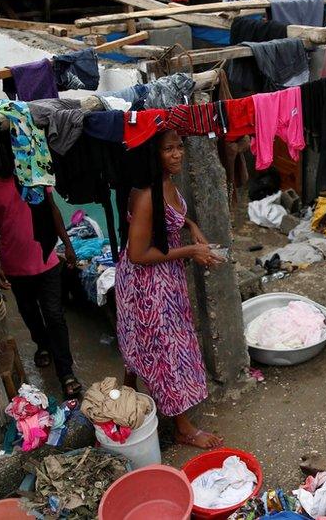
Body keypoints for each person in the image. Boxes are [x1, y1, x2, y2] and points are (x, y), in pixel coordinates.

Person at [115, 130, 225, 449]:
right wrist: (191, 251)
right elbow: (138, 254)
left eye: (179, 147)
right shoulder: (148, 195)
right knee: (164, 347)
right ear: (154, 154)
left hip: (165, 275)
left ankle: (127, 398)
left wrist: (190, 226)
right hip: (147, 282)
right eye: (168, 149)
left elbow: (170, 218)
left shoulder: (167, 183)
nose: (177, 154)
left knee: (147, 341)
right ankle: (182, 427)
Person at [0, 139, 83, 399]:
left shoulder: (32, 173)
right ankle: (42, 345)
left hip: (46, 259)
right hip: (15, 265)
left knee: (54, 315)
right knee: (29, 312)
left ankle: (66, 372)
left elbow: (52, 209)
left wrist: (67, 244)